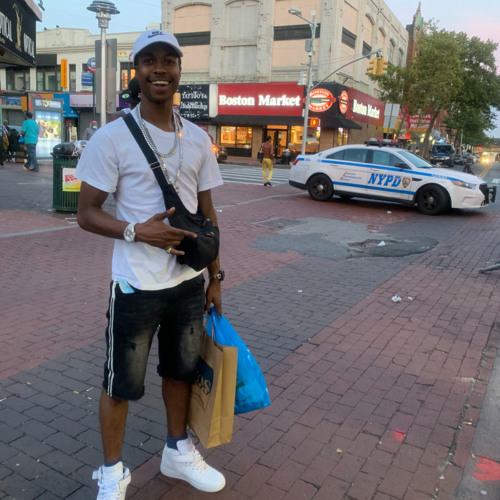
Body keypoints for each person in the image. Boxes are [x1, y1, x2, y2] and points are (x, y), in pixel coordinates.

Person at [75, 29, 225, 499]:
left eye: (169, 60)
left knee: (181, 372)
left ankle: (177, 451)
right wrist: (138, 231)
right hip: (135, 285)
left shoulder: (197, 138)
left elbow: (208, 214)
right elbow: (86, 213)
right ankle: (112, 473)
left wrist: (216, 277)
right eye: (149, 60)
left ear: (179, 70)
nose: (160, 68)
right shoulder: (111, 137)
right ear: (136, 71)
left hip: (188, 283)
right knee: (120, 383)